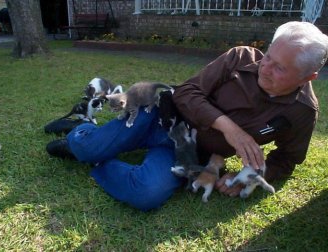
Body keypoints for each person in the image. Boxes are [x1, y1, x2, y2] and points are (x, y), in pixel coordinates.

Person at [46, 21, 328, 211]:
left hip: (190, 151)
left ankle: (98, 157)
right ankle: (80, 132)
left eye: (280, 68)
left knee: (147, 193)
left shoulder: (302, 111)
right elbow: (186, 92)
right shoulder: (241, 57)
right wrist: (230, 128)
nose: (265, 68)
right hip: (160, 115)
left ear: (308, 76)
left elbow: (288, 159)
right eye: (268, 57)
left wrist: (250, 174)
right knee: (86, 144)